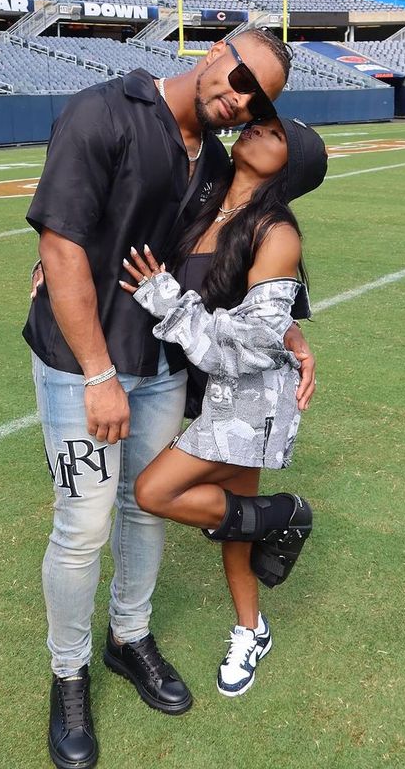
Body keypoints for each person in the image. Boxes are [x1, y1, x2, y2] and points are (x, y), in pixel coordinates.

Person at [23, 32, 317, 769]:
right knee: (83, 524)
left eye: (261, 99)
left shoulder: (218, 160)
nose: (242, 99)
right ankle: (69, 676)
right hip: (80, 362)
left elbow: (239, 254)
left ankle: (129, 637)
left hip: (160, 366)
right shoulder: (102, 112)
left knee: (139, 511)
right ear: (217, 50)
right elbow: (64, 245)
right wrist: (96, 372)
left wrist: (294, 333)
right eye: (241, 76)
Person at [120, 116, 327, 698]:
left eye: (274, 134)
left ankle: (286, 513)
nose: (256, 130)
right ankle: (251, 627)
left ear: (290, 167)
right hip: (209, 386)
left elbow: (257, 342)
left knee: (154, 491)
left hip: (249, 402)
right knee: (234, 521)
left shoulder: (277, 231)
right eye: (257, 124)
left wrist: (164, 299)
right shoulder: (207, 195)